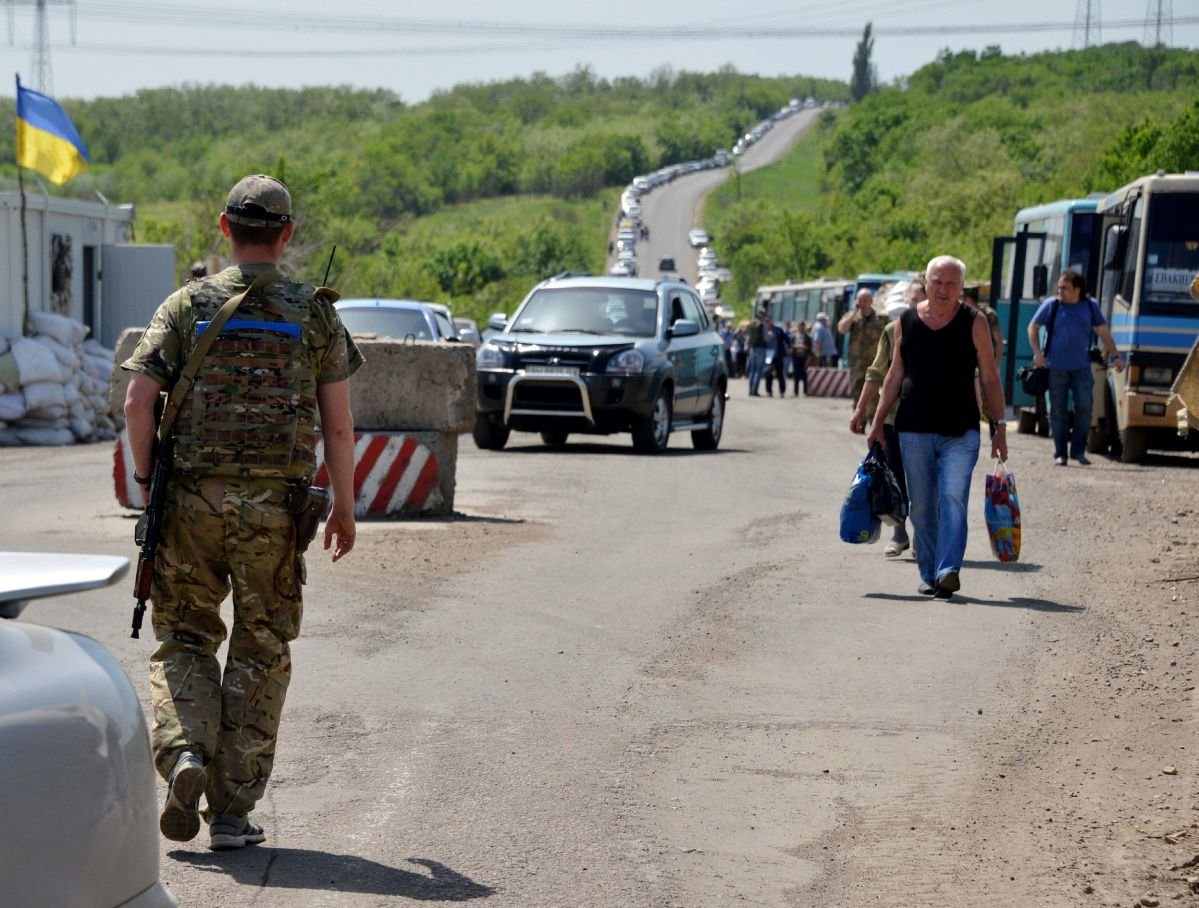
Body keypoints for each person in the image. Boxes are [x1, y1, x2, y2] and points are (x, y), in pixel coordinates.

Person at [121, 174, 361, 851]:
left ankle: (186, 755)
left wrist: (149, 483)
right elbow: (338, 427)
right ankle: (231, 813)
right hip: (275, 512)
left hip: (189, 503)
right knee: (260, 649)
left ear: (225, 229)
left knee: (185, 638)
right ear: (284, 236)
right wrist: (344, 509)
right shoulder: (314, 314)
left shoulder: (185, 304)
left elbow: (139, 401)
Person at [867, 256, 1007, 600]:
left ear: (962, 288)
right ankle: (929, 573)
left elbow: (989, 376)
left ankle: (948, 570)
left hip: (961, 430)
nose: (943, 290)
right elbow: (894, 375)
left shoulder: (974, 322)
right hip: (913, 429)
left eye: (951, 284)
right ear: (926, 283)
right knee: (923, 506)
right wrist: (876, 421)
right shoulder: (907, 322)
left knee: (952, 497)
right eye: (937, 282)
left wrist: (1000, 426)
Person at [850, 273, 926, 558]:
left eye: (922, 301)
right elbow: (877, 371)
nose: (916, 306)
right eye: (913, 301)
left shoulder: (945, 329)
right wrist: (861, 409)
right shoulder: (895, 329)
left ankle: (923, 535)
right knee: (895, 476)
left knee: (924, 480)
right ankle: (900, 532)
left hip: (928, 419)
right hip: (894, 417)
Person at [1027, 270, 1123, 466]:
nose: (1059, 291)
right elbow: (1033, 327)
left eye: (1065, 288)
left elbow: (1103, 332)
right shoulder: (1052, 305)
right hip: (1055, 368)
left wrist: (1116, 356)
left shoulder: (1090, 306)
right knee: (1058, 411)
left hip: (1081, 368)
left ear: (1077, 290)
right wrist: (1038, 353)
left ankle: (1078, 451)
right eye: (1059, 287)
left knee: (1085, 410)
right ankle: (1060, 453)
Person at [838, 288, 885, 407]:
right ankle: (859, 423)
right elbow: (842, 329)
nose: (862, 303)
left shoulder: (881, 318)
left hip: (875, 363)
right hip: (857, 365)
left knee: (875, 397)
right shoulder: (852, 317)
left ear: (871, 301)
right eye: (860, 300)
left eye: (865, 300)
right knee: (857, 396)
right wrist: (854, 312)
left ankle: (874, 423)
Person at [762, 314, 792, 397]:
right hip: (768, 356)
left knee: (780, 374)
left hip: (778, 355)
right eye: (766, 321)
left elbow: (787, 338)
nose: (768, 322)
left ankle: (782, 391)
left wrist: (789, 346)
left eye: (769, 321)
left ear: (772, 321)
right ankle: (769, 391)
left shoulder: (778, 330)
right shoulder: (763, 331)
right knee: (768, 373)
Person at [746, 309, 768, 396]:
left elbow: (749, 337)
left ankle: (750, 390)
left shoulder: (752, 324)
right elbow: (766, 338)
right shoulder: (763, 325)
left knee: (752, 370)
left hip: (753, 348)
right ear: (764, 316)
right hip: (761, 349)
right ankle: (754, 390)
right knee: (758, 371)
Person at [791, 320, 812, 396]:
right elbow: (791, 346)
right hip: (796, 357)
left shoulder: (807, 337)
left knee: (804, 375)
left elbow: (810, 347)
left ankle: (805, 391)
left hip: (804, 357)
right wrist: (796, 346)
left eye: (802, 326)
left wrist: (805, 348)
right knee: (796, 375)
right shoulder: (794, 336)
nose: (801, 328)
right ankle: (795, 392)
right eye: (800, 326)